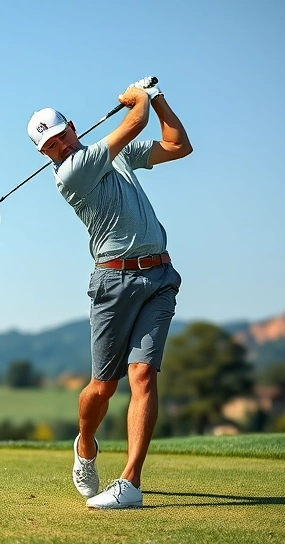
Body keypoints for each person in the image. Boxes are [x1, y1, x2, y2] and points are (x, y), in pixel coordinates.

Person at [25, 77, 193, 509]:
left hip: (159, 277)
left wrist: (158, 99)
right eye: (50, 146)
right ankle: (85, 444)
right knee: (102, 388)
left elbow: (178, 145)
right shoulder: (71, 173)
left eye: (61, 136)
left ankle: (130, 482)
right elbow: (134, 124)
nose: (60, 147)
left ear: (72, 127)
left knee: (143, 375)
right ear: (44, 154)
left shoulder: (113, 157)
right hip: (113, 283)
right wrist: (139, 100)